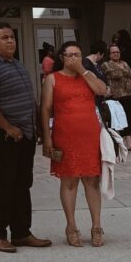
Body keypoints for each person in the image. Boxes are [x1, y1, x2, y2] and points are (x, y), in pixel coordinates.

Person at [0, 26, 51, 254]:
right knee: (5, 184)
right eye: (5, 38)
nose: (11, 41)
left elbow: (30, 99)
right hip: (7, 136)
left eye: (12, 37)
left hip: (26, 134)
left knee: (22, 184)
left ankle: (21, 233)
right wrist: (8, 127)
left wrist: (37, 127)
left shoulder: (16, 64)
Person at [40, 41, 109, 247]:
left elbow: (102, 90)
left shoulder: (88, 76)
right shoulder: (52, 79)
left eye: (78, 55)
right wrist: (47, 137)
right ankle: (71, 226)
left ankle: (96, 226)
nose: (74, 58)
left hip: (90, 136)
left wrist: (82, 71)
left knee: (92, 181)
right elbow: (45, 109)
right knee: (69, 182)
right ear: (62, 57)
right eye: (70, 55)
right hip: (65, 136)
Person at [101, 44, 131, 151]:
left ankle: (128, 142)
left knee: (129, 118)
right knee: (117, 120)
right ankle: (117, 142)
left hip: (128, 94)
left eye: (118, 52)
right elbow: (113, 75)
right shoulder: (106, 65)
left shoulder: (124, 63)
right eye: (113, 52)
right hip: (115, 96)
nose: (116, 54)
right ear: (109, 54)